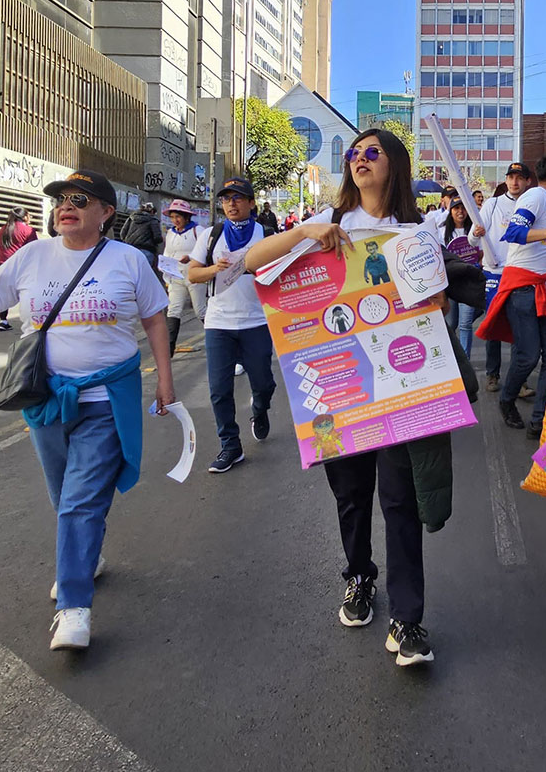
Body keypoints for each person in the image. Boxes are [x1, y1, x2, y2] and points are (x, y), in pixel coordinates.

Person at [0, 169, 175, 651]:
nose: (65, 206)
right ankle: (86, 553)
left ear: (105, 213)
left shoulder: (129, 259)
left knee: (78, 500)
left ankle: (74, 607)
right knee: (63, 496)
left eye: (79, 199)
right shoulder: (32, 255)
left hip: (105, 401)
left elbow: (155, 318)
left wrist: (165, 379)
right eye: (59, 200)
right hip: (47, 401)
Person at [245, 127, 440, 667]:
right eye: (354, 152)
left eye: (372, 152)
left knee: (401, 503)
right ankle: (358, 578)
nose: (360, 159)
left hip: (402, 387)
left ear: (394, 165)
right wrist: (306, 233)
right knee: (351, 497)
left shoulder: (415, 231)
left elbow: (436, 308)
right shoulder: (329, 226)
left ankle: (409, 619)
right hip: (336, 390)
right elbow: (251, 262)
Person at [478, 155, 546, 437]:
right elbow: (514, 232)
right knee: (528, 355)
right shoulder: (535, 196)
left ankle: (540, 419)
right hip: (524, 289)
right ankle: (507, 399)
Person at [188, 178, 278, 473]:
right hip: (219, 323)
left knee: (263, 382)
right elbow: (193, 275)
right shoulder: (211, 235)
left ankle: (259, 408)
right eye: (226, 199)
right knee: (219, 389)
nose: (231, 204)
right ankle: (230, 446)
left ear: (251, 203)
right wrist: (215, 269)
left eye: (238, 198)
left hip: (257, 321)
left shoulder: (265, 234)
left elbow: (283, 272)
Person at [476, 172, 529, 394]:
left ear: (527, 181)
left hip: (521, 273)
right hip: (495, 273)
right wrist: (478, 233)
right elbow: (472, 237)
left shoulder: (532, 204)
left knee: (521, 329)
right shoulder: (493, 204)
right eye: (511, 177)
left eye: (520, 178)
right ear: (506, 180)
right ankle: (492, 375)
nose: (515, 182)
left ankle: (519, 381)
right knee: (493, 326)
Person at [439, 198, 483, 353]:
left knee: (465, 324)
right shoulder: (442, 231)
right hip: (450, 281)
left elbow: (482, 253)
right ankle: (450, 356)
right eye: (456, 208)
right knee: (451, 323)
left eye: (463, 208)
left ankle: (466, 360)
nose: (460, 212)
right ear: (450, 211)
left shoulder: (475, 231)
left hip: (468, 281)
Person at [161, 199, 208, 344]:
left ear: (186, 217)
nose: (175, 220)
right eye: (172, 217)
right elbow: (167, 253)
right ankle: (169, 350)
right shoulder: (170, 233)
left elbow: (206, 251)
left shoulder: (198, 231)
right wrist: (165, 271)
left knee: (200, 310)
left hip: (195, 276)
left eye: (178, 217)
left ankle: (218, 338)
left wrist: (191, 258)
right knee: (173, 310)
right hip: (176, 277)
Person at [0, 207, 38, 331]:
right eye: (29, 215)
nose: (30, 218)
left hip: (3, 265)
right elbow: (33, 249)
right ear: (24, 217)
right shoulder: (28, 231)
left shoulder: (2, 230)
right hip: (22, 266)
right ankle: (30, 320)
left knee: (3, 294)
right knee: (26, 292)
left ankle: (3, 321)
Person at [120, 201, 164, 266]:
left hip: (130, 249)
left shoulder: (131, 218)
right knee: (144, 273)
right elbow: (157, 238)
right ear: (152, 211)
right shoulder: (153, 220)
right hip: (146, 250)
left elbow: (122, 234)